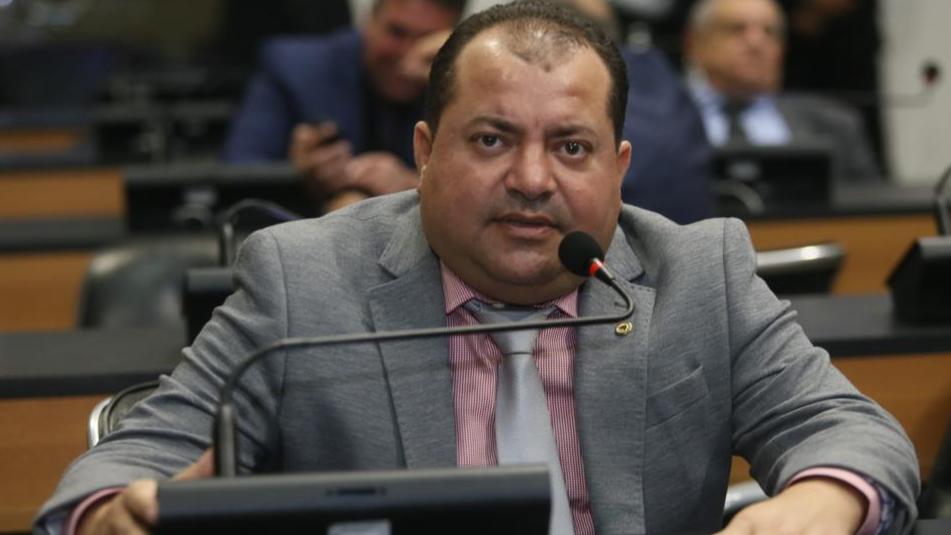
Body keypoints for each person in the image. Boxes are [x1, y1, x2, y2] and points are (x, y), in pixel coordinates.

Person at [38, 2, 918, 534]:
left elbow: (854, 432)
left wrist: (817, 501)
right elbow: (125, 463)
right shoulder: (302, 278)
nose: (532, 180)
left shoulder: (698, 273)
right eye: (492, 140)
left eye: (569, 147)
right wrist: (113, 511)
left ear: (617, 169)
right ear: (425, 152)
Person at [222, 0, 465, 211]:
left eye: (426, 40)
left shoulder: (463, 81)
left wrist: (416, 186)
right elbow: (237, 172)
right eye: (396, 32)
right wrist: (298, 173)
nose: (408, 53)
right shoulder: (294, 68)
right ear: (369, 22)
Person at [683, 0, 882, 182]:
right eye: (736, 29)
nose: (756, 42)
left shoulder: (836, 126)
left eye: (770, 32)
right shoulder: (667, 121)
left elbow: (870, 206)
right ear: (694, 43)